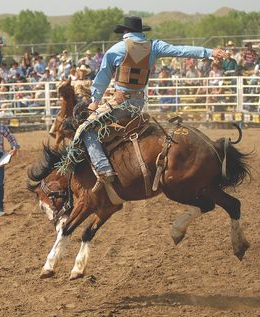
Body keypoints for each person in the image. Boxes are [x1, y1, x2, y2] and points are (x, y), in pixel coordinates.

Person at [76, 16, 228, 192]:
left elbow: (102, 77)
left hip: (121, 102)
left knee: (85, 129)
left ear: (125, 32)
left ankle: (103, 169)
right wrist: (209, 52)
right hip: (138, 103)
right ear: (140, 32)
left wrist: (94, 101)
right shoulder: (153, 46)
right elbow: (180, 50)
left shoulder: (116, 50)